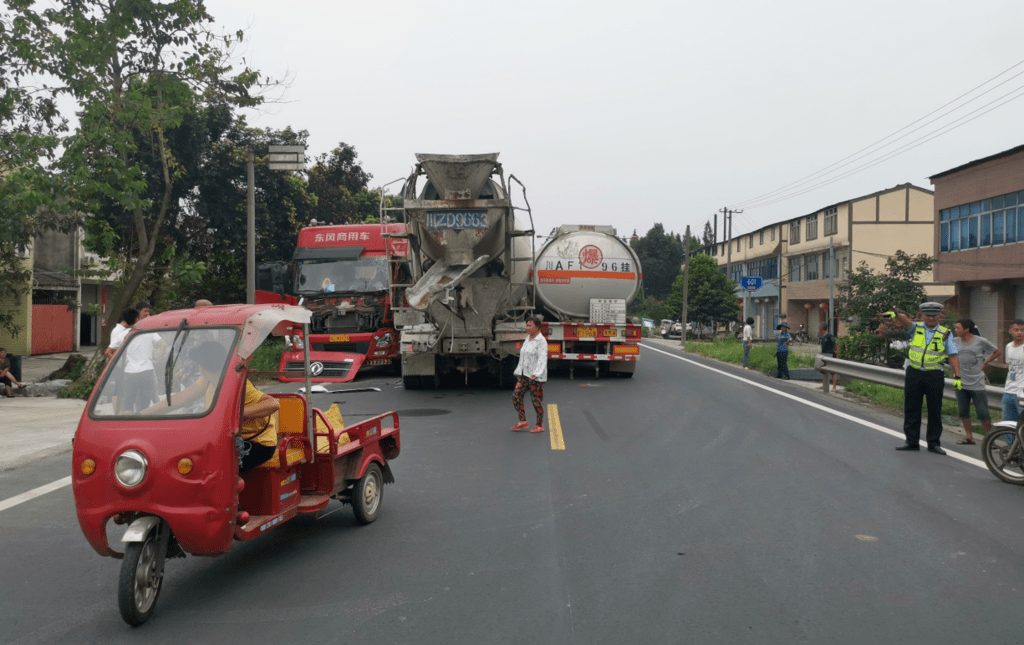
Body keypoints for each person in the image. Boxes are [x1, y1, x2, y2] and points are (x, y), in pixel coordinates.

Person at [142, 341, 279, 471]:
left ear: (205, 366)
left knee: (212, 466)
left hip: (258, 444)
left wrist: (235, 414)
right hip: (230, 439)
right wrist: (143, 414)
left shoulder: (238, 385)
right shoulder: (208, 380)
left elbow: (272, 404)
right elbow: (179, 399)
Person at [882, 302, 961, 455]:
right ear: (923, 316)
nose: (930, 318)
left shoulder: (946, 333)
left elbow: (952, 354)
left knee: (934, 410)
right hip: (914, 373)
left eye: (934, 315)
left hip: (934, 375)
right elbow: (906, 321)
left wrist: (957, 376)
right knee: (911, 408)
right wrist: (896, 315)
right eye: (927, 315)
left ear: (939, 316)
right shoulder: (916, 328)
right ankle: (911, 442)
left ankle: (933, 443)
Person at [952, 318, 1000, 445]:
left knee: (983, 412)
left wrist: (986, 362)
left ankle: (990, 441)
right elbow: (952, 358)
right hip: (960, 381)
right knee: (963, 411)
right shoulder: (954, 342)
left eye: (958, 328)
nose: (955, 330)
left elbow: (997, 351)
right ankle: (969, 437)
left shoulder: (981, 341)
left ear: (966, 329)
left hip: (977, 383)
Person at [511, 315, 548, 433]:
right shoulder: (528, 339)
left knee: (536, 400)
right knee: (516, 396)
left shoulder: (541, 341)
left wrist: (537, 373)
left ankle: (539, 424)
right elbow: (523, 356)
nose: (527, 328)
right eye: (526, 325)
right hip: (524, 374)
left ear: (537, 327)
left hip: (535, 376)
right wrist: (518, 371)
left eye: (530, 325)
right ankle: (522, 421)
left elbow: (542, 358)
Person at [1003, 319, 1024, 423]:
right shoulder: (1008, 346)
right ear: (1010, 331)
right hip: (1008, 390)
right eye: (1016, 330)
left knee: (1021, 426)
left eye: (1022, 330)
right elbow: (1010, 366)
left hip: (1022, 392)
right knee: (1008, 423)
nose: (1019, 332)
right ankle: (1010, 440)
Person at [819, 323, 838, 392]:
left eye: (819, 327)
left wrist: (836, 355)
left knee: (832, 372)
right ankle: (824, 385)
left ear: (822, 328)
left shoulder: (830, 336)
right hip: (823, 355)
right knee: (823, 371)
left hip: (830, 355)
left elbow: (834, 345)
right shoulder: (822, 337)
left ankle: (834, 387)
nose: (819, 329)